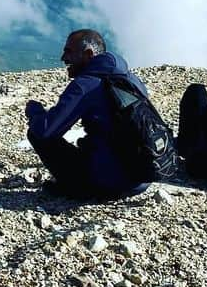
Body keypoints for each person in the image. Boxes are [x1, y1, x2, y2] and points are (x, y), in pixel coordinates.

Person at [24, 29, 152, 200]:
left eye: (69, 52)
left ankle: (78, 188)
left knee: (36, 133)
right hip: (141, 178)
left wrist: (35, 111)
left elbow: (46, 131)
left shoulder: (85, 85)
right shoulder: (129, 78)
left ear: (88, 54)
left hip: (109, 183)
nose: (64, 58)